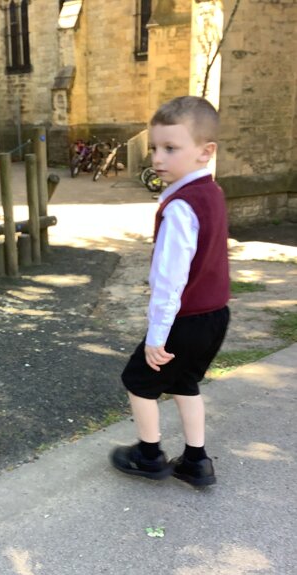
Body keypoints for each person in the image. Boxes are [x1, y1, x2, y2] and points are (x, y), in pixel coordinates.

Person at [111, 96, 230, 487]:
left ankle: (148, 455)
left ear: (205, 151)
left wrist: (156, 336)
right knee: (184, 382)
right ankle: (196, 461)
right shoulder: (212, 193)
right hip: (215, 315)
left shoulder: (180, 207)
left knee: (138, 381)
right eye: (154, 148)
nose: (158, 158)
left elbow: (169, 279)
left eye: (171, 148)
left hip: (184, 318)